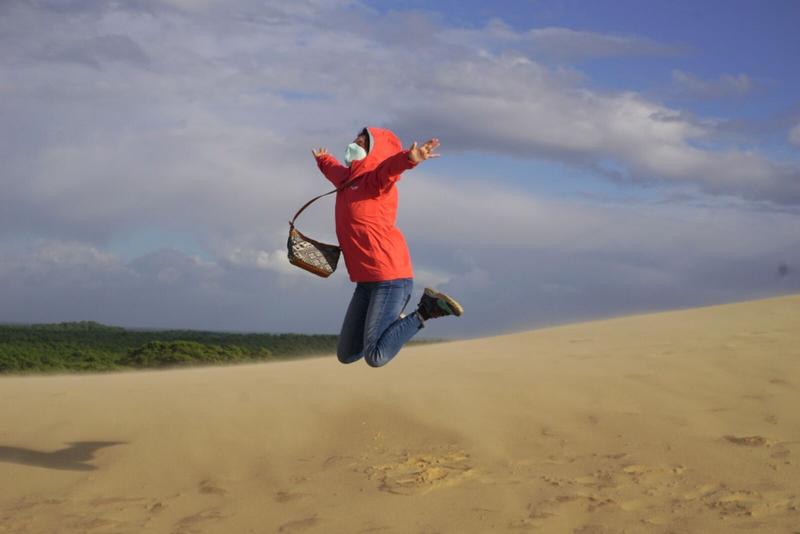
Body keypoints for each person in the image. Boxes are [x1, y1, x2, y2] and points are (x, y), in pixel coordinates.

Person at [312, 127, 463, 367]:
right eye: (354, 139)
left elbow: (390, 168)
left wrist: (409, 159)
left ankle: (426, 310)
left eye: (361, 142)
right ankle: (394, 324)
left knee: (376, 356)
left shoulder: (375, 181)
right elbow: (333, 170)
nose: (354, 144)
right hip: (364, 281)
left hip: (389, 276)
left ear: (374, 151)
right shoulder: (346, 179)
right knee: (347, 354)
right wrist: (322, 159)